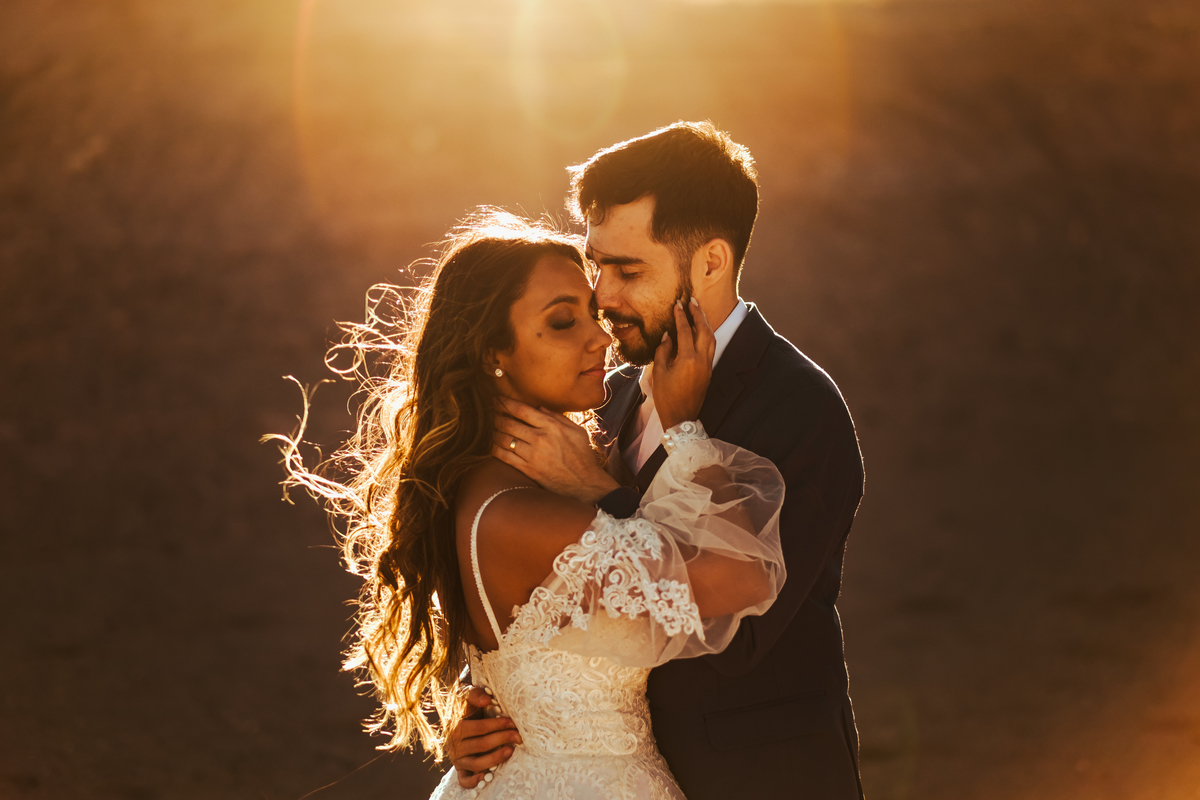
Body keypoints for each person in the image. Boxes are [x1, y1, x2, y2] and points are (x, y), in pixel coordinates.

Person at [274, 210, 789, 799]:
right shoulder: (517, 514)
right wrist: (686, 428)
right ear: (493, 352)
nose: (600, 336)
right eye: (564, 322)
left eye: (591, 315)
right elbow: (743, 576)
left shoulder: (486, 485)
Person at [449, 122, 866, 799]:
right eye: (597, 267)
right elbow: (544, 589)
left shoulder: (800, 409)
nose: (603, 299)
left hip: (759, 781)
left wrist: (595, 486)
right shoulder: (606, 395)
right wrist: (497, 704)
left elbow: (739, 631)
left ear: (710, 262)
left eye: (628, 271)